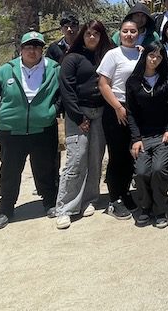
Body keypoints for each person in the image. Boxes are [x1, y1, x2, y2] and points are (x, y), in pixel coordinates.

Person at [0, 30, 60, 230]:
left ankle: (50, 202)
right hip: (11, 131)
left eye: (37, 47)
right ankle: (5, 209)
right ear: (21, 49)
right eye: (28, 47)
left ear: (42, 50)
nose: (33, 51)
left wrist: (53, 110)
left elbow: (63, 94)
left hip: (43, 129)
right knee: (9, 171)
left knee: (46, 168)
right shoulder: (6, 70)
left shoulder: (54, 69)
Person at [54, 20, 113, 229]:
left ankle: (90, 199)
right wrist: (78, 117)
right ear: (82, 35)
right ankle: (65, 208)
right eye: (88, 34)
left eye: (96, 34)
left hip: (101, 113)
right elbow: (67, 89)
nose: (92, 37)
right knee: (76, 159)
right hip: (78, 115)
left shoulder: (106, 56)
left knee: (96, 159)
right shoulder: (72, 58)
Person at [125, 42, 168, 229]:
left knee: (159, 169)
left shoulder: (167, 79)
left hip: (163, 134)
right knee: (141, 172)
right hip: (142, 136)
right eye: (151, 55)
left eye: (159, 56)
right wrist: (136, 139)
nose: (154, 59)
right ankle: (146, 207)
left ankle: (160, 209)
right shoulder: (133, 82)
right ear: (145, 56)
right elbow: (130, 112)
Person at [97, 19, 142, 220]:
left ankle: (125, 193)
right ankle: (114, 199)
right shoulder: (113, 54)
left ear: (138, 34)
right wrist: (117, 107)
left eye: (133, 31)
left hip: (136, 110)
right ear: (119, 33)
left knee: (131, 155)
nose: (129, 35)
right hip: (116, 109)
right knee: (117, 156)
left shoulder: (141, 53)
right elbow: (103, 84)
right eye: (125, 31)